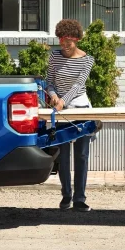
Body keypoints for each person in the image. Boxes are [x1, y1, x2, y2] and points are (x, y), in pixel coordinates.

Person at [46, 19, 95, 212]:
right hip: (60, 109)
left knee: (82, 155)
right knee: (63, 155)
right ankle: (66, 196)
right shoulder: (54, 56)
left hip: (80, 107)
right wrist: (53, 96)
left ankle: (80, 198)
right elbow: (49, 81)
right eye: (61, 40)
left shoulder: (87, 60)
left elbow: (77, 86)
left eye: (68, 42)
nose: (64, 45)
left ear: (77, 40)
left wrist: (62, 101)